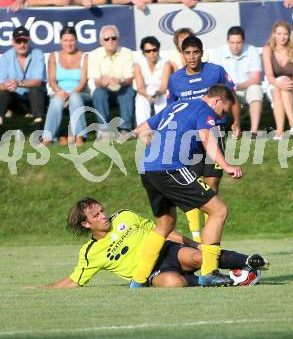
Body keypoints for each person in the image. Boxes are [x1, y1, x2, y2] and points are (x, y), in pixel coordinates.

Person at [129, 85, 243, 288]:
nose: (221, 117)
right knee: (219, 210)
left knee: (165, 225)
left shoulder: (177, 105)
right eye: (224, 111)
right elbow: (206, 137)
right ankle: (209, 272)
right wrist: (226, 165)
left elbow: (144, 127)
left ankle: (138, 280)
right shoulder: (204, 110)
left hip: (148, 168)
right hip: (169, 167)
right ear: (217, 100)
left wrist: (130, 135)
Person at [44, 197, 269, 289]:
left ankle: (248, 261)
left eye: (102, 210)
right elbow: (73, 281)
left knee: (198, 257)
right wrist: (42, 288)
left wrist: (197, 245)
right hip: (150, 273)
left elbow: (164, 232)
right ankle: (225, 280)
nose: (103, 216)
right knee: (173, 283)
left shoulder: (124, 216)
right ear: (86, 225)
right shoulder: (90, 252)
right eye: (96, 215)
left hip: (168, 252)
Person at [168, 35, 240, 242]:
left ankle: (210, 241)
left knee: (211, 188)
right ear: (182, 54)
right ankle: (198, 238)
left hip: (214, 133)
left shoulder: (215, 71)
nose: (192, 57)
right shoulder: (175, 79)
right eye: (187, 53)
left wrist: (236, 122)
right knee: (194, 187)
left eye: (195, 52)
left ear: (202, 52)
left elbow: (232, 97)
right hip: (188, 138)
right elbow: (171, 108)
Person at [42, 26, 88, 147]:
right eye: (65, 40)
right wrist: (60, 91)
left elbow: (83, 81)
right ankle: (48, 137)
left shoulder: (84, 56)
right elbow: (51, 80)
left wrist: (71, 93)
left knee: (75, 98)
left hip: (79, 91)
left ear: (76, 40)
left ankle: (79, 136)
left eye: (71, 40)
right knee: (57, 101)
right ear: (61, 41)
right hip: (59, 91)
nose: (68, 43)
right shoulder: (54, 56)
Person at [214, 26, 263, 137]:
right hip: (226, 91)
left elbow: (255, 78)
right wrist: (230, 88)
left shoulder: (252, 50)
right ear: (227, 42)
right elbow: (215, 78)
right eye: (232, 42)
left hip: (245, 89)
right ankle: (221, 130)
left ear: (244, 41)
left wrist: (238, 86)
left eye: (238, 42)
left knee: (256, 89)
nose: (235, 46)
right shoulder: (219, 52)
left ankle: (253, 131)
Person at [88, 25, 135, 138]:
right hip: (104, 89)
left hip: (122, 87)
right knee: (98, 93)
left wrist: (120, 81)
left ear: (118, 39)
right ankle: (104, 131)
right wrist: (103, 81)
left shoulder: (127, 53)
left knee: (128, 92)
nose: (111, 41)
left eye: (113, 38)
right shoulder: (94, 55)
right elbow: (96, 81)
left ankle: (125, 129)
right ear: (101, 41)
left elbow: (129, 78)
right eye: (107, 39)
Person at [262, 21, 293, 140]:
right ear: (274, 34)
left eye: (285, 34)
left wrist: (289, 85)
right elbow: (269, 75)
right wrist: (280, 84)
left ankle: (280, 131)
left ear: (289, 35)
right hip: (273, 84)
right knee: (278, 88)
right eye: (279, 33)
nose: (282, 37)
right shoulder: (267, 49)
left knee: (281, 88)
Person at [0, 26, 45, 133]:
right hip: (15, 99)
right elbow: (0, 83)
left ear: (29, 41)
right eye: (18, 41)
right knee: (2, 93)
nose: (22, 44)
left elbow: (38, 81)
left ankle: (39, 132)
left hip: (35, 99)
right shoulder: (6, 57)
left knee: (35, 90)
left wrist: (18, 83)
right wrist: (8, 85)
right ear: (12, 42)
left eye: (24, 41)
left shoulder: (37, 53)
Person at [134, 36, 171, 125]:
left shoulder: (166, 64)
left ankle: (163, 127)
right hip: (145, 92)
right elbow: (140, 87)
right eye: (148, 51)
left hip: (161, 92)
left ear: (158, 50)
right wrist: (148, 96)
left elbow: (164, 86)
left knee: (162, 100)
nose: (152, 53)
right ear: (143, 53)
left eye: (154, 50)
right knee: (140, 100)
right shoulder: (138, 65)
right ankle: (143, 130)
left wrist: (157, 94)